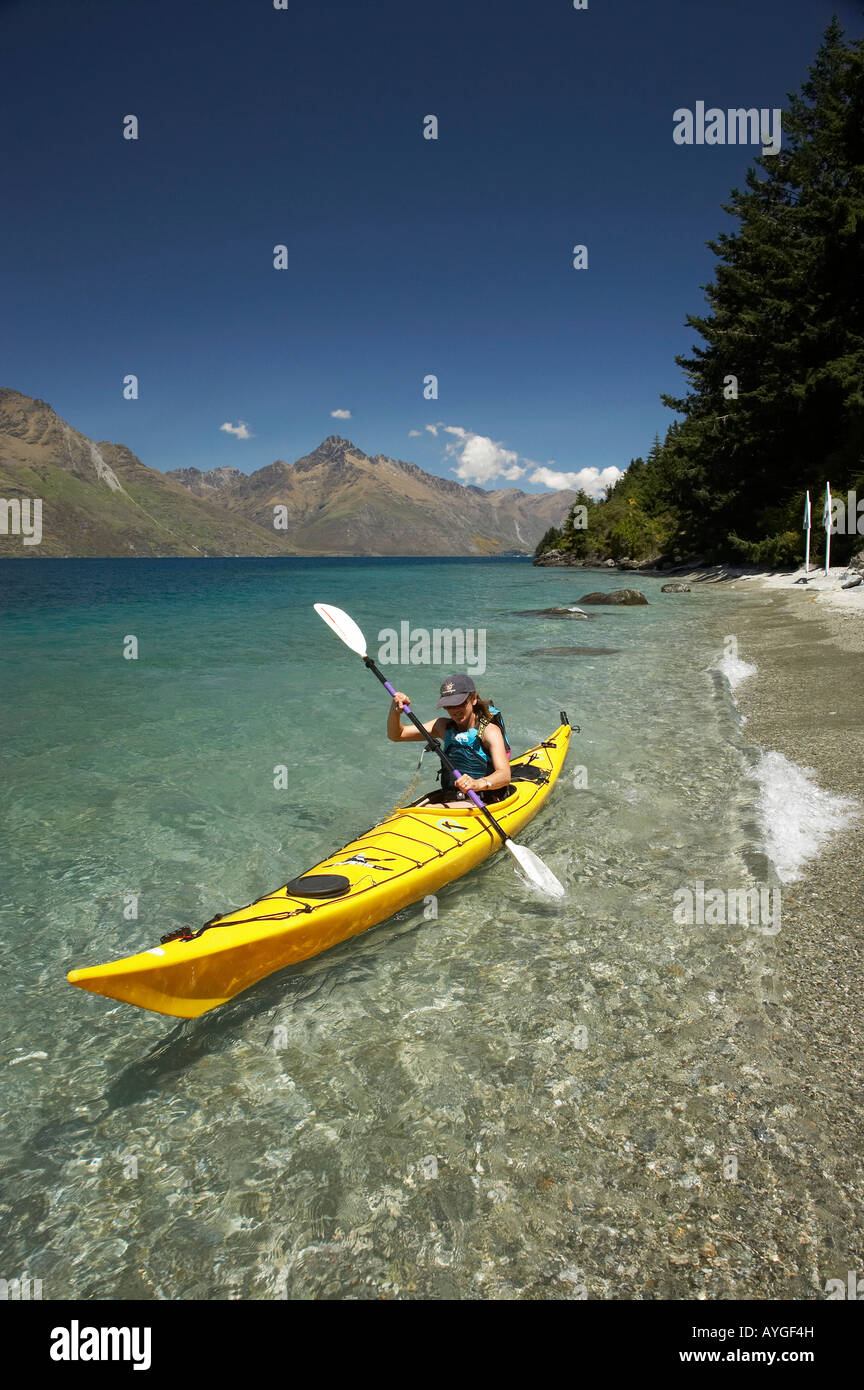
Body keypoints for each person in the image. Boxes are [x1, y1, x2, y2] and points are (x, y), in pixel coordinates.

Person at [387, 673, 513, 809]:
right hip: (452, 798)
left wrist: (477, 783)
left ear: (474, 699)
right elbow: (397, 735)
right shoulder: (442, 727)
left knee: (427, 810)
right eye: (449, 706)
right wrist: (395, 711)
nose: (455, 710)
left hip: (484, 801)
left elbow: (505, 775)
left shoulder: (490, 731)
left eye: (460, 703)